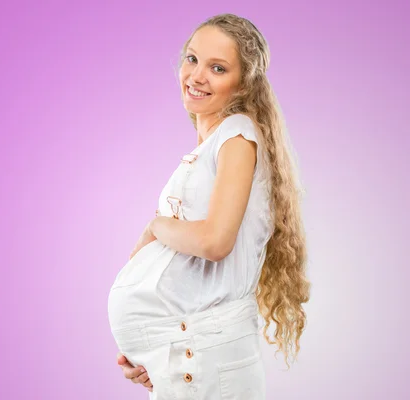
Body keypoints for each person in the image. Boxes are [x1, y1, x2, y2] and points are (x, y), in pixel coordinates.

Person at [107, 13, 310, 399]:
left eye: (217, 68)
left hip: (203, 357)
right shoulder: (214, 145)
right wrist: (149, 348)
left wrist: (157, 225)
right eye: (192, 58)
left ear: (244, 85)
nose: (197, 75)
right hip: (187, 356)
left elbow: (215, 241)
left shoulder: (236, 136)